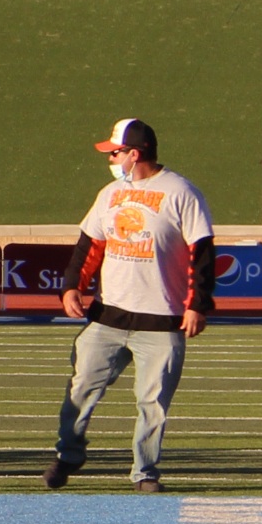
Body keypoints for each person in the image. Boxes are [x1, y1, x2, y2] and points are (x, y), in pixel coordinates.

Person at [45, 118, 215, 493]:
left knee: (152, 404)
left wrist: (197, 305)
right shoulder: (109, 194)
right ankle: (68, 454)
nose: (112, 158)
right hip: (108, 315)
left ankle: (145, 472)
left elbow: (201, 252)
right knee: (81, 388)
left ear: (134, 154)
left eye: (116, 152)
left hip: (162, 320)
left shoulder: (182, 192)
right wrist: (72, 286)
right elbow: (90, 244)